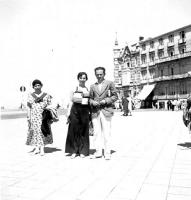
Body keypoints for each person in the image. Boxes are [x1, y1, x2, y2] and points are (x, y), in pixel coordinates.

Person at [89, 67, 118, 160]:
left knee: (106, 133)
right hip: (95, 112)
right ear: (95, 74)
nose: (99, 76)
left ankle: (107, 153)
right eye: (97, 74)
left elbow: (115, 96)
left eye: (101, 74)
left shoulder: (110, 83)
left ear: (104, 74)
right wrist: (92, 102)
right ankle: (98, 152)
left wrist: (105, 101)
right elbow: (90, 98)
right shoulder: (92, 86)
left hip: (106, 110)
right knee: (96, 133)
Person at [65, 72, 90, 159]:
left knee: (83, 131)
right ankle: (74, 151)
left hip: (84, 111)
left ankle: (83, 151)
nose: (82, 79)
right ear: (78, 79)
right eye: (81, 78)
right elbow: (71, 101)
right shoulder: (74, 88)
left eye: (84, 78)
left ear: (86, 79)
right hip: (75, 111)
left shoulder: (87, 89)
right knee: (74, 130)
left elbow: (88, 102)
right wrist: (68, 113)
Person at [26, 79, 53, 156]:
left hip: (43, 116)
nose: (37, 87)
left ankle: (42, 149)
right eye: (35, 86)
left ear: (41, 85)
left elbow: (50, 105)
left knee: (43, 131)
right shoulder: (30, 95)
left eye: (38, 85)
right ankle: (37, 148)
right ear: (33, 87)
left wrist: (50, 117)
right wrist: (29, 117)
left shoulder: (46, 95)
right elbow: (28, 107)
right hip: (34, 116)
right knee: (35, 131)